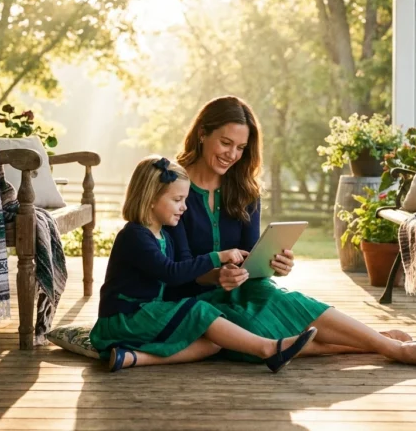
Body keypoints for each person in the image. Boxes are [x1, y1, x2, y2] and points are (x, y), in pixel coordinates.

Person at [163, 96, 416, 368]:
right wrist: (217, 275)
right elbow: (178, 265)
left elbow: (250, 256)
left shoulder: (245, 189)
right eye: (226, 143)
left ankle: (392, 349)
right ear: (203, 133)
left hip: (244, 289)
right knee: (255, 335)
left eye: (240, 148)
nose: (233, 155)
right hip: (194, 299)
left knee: (285, 302)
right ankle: (377, 342)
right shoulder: (173, 187)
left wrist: (273, 264)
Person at [90, 156, 318, 373]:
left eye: (185, 200)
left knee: (213, 343)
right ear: (150, 200)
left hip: (147, 314)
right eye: (177, 200)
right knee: (200, 312)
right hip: (122, 319)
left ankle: (131, 358)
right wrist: (217, 257)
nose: (184, 207)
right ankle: (269, 349)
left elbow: (179, 273)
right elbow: (171, 273)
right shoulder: (134, 236)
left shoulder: (164, 236)